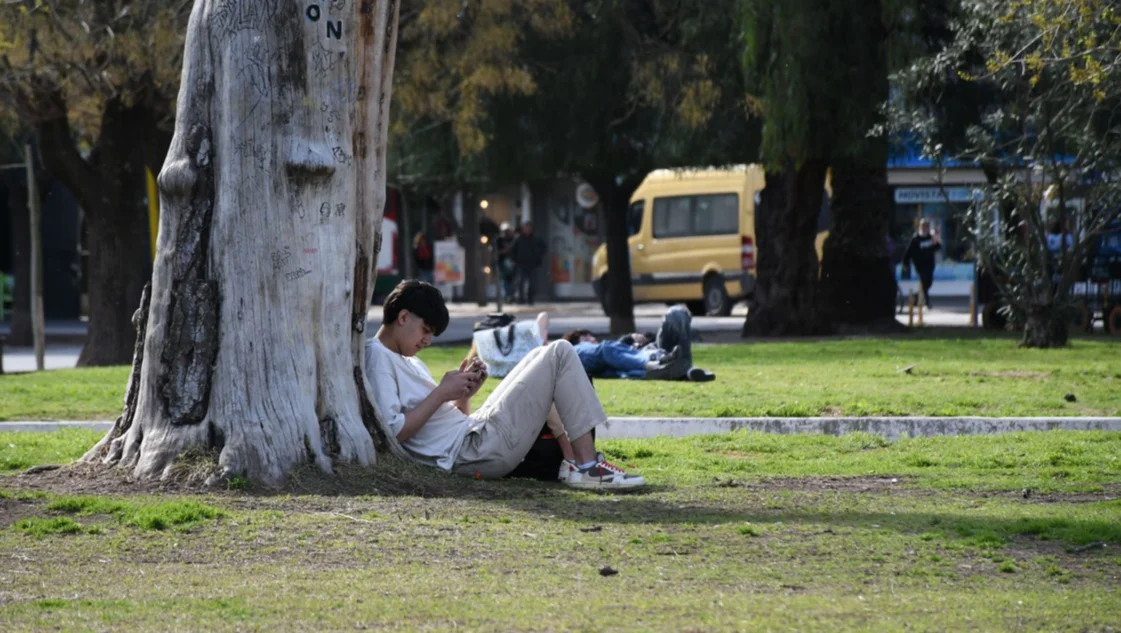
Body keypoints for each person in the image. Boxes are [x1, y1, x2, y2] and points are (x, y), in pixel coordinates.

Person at [365, 280, 644, 489]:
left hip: (473, 436)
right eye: (426, 331)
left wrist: (463, 396)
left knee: (539, 356)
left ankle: (579, 464)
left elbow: (445, 426)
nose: (427, 341)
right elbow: (392, 433)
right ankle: (587, 466)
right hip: (473, 451)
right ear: (403, 317)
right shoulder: (378, 357)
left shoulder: (408, 360)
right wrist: (440, 393)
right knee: (558, 352)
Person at [563, 305, 716, 382]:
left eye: (591, 336)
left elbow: (618, 350)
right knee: (606, 348)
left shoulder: (614, 348)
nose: (591, 338)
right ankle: (680, 369)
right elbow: (608, 352)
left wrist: (632, 338)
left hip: (657, 350)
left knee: (676, 313)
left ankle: (681, 365)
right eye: (585, 337)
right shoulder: (592, 351)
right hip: (652, 360)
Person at [902, 219, 941, 309]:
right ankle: (927, 302)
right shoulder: (916, 239)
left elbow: (938, 247)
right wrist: (905, 263)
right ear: (920, 227)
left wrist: (936, 241)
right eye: (923, 226)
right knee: (924, 281)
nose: (924, 228)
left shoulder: (930, 237)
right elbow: (909, 251)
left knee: (928, 283)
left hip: (930, 265)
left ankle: (916, 297)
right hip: (919, 265)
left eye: (926, 226)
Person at [511, 222, 546, 305]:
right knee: (520, 282)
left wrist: (537, 256)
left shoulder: (536, 239)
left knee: (532, 283)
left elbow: (544, 248)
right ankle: (521, 299)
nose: (527, 230)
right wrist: (515, 260)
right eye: (525, 228)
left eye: (528, 228)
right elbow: (513, 251)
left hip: (532, 264)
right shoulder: (519, 239)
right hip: (521, 264)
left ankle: (530, 299)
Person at [494, 222, 518, 303]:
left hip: (514, 262)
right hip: (503, 263)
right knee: (505, 280)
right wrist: (505, 250)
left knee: (514, 280)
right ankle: (508, 296)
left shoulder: (515, 240)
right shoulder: (499, 240)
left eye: (508, 231)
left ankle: (512, 295)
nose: (507, 233)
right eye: (505, 231)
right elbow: (497, 251)